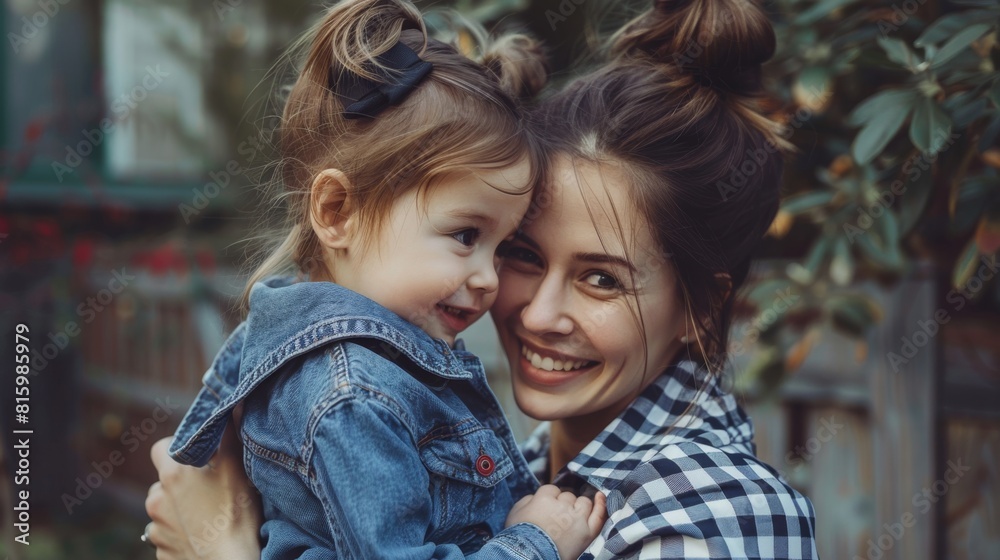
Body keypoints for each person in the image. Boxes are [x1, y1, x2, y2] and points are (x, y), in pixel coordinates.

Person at [146, 0, 819, 557]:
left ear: (701, 307)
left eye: (602, 281)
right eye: (523, 254)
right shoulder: (507, 461)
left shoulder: (714, 517)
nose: (532, 312)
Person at [153, 0, 608, 558]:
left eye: (504, 248)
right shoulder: (352, 397)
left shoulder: (366, 371)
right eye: (466, 235)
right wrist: (537, 543)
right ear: (337, 211)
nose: (489, 278)